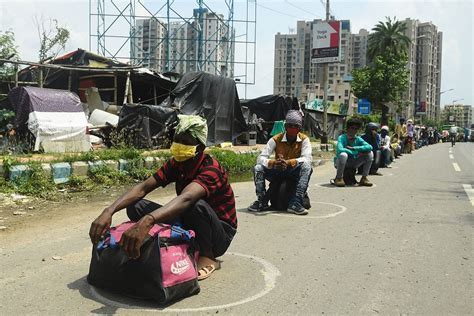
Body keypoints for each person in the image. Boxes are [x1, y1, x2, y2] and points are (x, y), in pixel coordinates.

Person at [89, 115, 237, 281]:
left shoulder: (211, 169)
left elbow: (187, 198)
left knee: (195, 205)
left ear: (200, 147)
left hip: (219, 233)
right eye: (177, 140)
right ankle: (178, 243)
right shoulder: (176, 164)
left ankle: (207, 256)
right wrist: (109, 211)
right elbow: (143, 188)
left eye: (186, 141)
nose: (180, 145)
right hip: (189, 218)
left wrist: (148, 220)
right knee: (135, 205)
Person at [248, 110, 312, 215]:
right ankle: (261, 201)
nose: (292, 129)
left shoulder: (304, 140)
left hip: (293, 171)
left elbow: (307, 158)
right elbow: (260, 158)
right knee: (258, 168)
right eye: (289, 126)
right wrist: (273, 163)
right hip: (277, 170)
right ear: (285, 126)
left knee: (307, 166)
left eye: (295, 126)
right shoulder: (276, 139)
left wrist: (288, 162)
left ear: (299, 128)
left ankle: (296, 202)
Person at [333, 118, 373, 187]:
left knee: (370, 153)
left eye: (356, 129)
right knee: (343, 155)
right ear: (348, 128)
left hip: (354, 162)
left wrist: (355, 148)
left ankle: (364, 178)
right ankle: (339, 178)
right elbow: (340, 149)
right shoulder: (342, 137)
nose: (354, 130)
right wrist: (354, 153)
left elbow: (369, 147)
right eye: (352, 128)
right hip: (341, 161)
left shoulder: (358, 139)